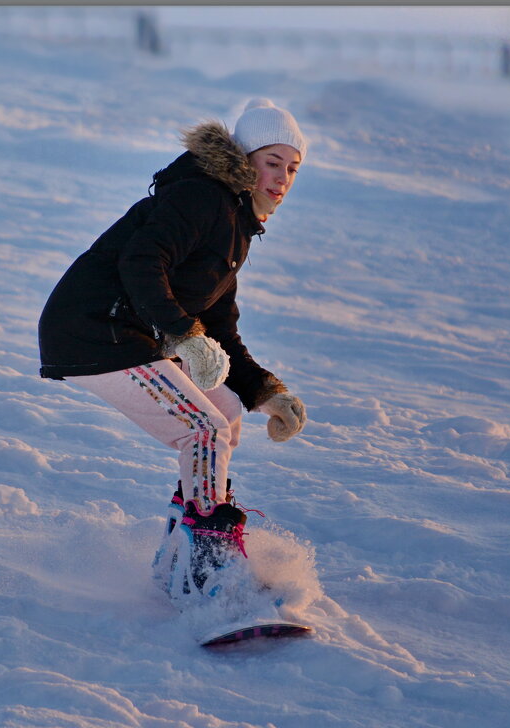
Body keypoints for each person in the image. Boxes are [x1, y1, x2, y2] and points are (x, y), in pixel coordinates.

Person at [38, 98, 308, 609]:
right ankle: (207, 567)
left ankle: (179, 554)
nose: (283, 178)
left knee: (225, 416)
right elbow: (143, 261)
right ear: (245, 159)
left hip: (128, 331)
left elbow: (221, 327)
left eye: (293, 168)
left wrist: (266, 393)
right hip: (94, 329)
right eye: (273, 162)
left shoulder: (235, 226)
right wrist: (183, 335)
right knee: (201, 429)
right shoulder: (202, 197)